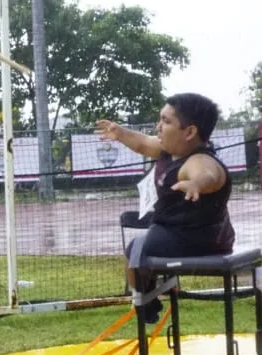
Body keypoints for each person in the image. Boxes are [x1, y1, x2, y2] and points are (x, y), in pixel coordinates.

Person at [95, 93, 235, 322]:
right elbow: (142, 143)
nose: (158, 127)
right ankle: (147, 291)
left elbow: (209, 174)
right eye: (160, 119)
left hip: (195, 239)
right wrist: (119, 133)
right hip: (182, 232)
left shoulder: (198, 160)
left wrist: (196, 184)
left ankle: (144, 300)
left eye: (166, 121)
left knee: (134, 250)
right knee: (139, 249)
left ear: (189, 132)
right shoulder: (167, 150)